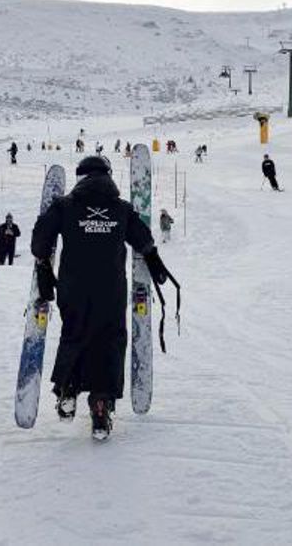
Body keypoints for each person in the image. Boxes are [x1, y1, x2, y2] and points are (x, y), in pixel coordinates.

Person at [31, 155, 174, 439]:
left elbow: (39, 242)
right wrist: (154, 260)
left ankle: (68, 389)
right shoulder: (121, 209)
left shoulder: (65, 206)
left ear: (81, 177)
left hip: (74, 286)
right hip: (111, 288)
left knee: (74, 333)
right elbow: (143, 238)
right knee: (110, 338)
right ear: (108, 176)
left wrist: (44, 264)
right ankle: (101, 403)